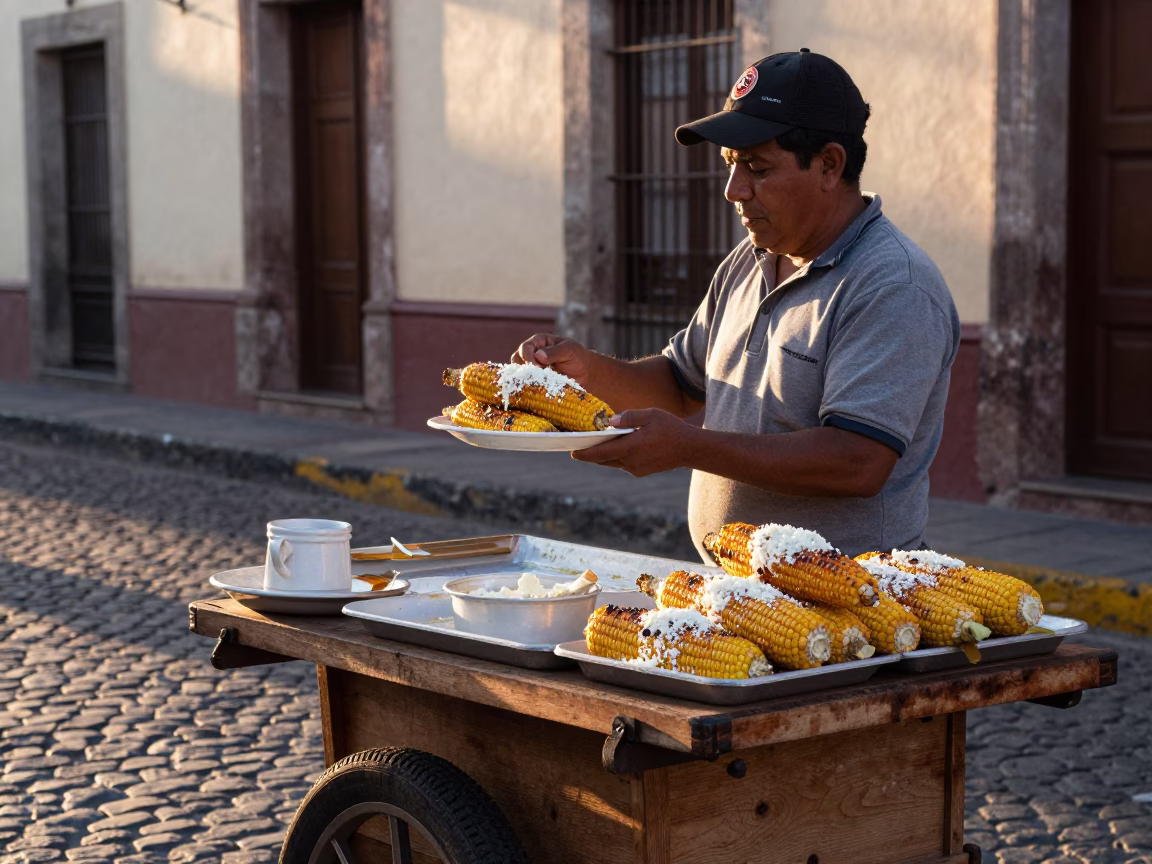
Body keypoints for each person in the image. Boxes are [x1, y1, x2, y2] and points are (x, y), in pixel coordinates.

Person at [512, 49, 960, 560]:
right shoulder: (751, 259)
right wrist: (584, 371)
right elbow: (681, 385)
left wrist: (686, 447)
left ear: (829, 165)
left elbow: (856, 462)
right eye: (729, 166)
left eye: (757, 168)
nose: (733, 190)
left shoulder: (892, 284)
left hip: (845, 611)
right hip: (736, 595)